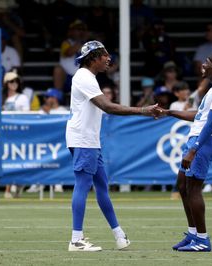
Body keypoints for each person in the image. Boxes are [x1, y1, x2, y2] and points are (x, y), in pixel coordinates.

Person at [66, 40, 157, 251]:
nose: (109, 58)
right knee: (82, 185)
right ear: (93, 58)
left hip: (88, 139)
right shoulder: (84, 77)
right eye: (105, 55)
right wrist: (142, 110)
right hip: (83, 140)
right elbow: (107, 107)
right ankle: (76, 240)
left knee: (102, 187)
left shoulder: (88, 77)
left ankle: (119, 235)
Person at [156, 54, 212, 252]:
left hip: (203, 142)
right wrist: (169, 112)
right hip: (198, 140)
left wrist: (193, 149)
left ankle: (202, 239)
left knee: (193, 189)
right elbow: (199, 117)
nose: (202, 65)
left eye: (206, 63)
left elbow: (211, 123)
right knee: (182, 185)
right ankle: (193, 234)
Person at [2, 71, 30, 199]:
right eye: (11, 81)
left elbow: (26, 115)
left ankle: (17, 185)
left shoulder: (22, 98)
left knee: (18, 159)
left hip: (19, 133)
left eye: (16, 81)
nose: (14, 84)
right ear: (6, 84)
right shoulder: (1, 98)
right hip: (5, 132)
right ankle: (9, 188)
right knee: (7, 159)